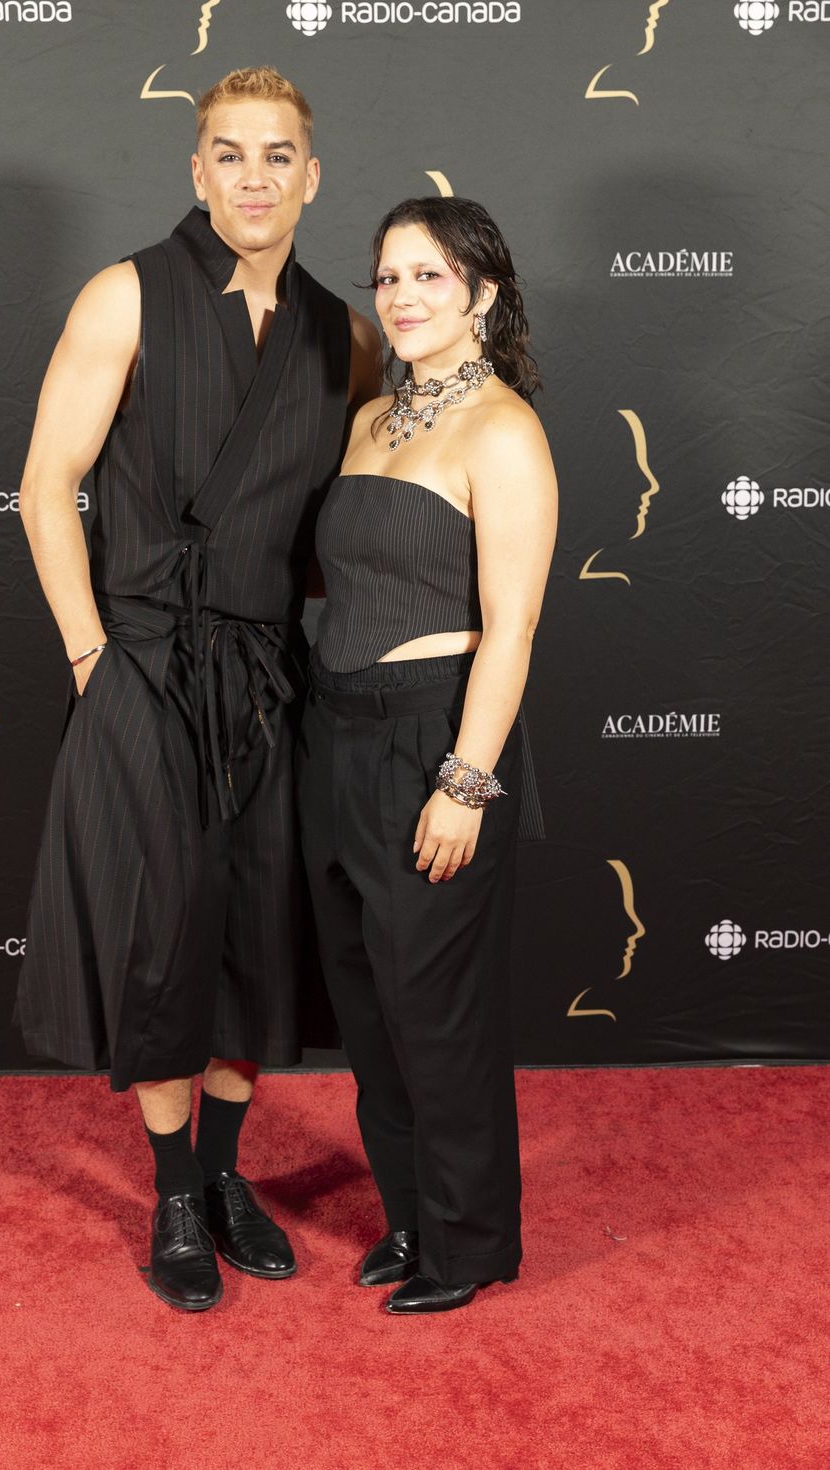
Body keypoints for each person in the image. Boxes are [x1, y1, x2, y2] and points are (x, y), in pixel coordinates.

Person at [14, 67, 380, 1312]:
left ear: (311, 174)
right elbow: (43, 485)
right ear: (195, 170)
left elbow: (378, 499)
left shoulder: (345, 333)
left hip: (273, 678)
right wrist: (88, 659)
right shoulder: (124, 295)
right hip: (144, 666)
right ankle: (173, 1190)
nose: (255, 178)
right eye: (229, 155)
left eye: (279, 155)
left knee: (254, 940)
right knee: (162, 940)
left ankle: (227, 1175)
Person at [298, 196, 557, 1314]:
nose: (400, 298)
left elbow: (513, 628)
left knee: (436, 1015)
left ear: (481, 296)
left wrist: (464, 782)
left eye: (429, 278)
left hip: (433, 741)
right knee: (369, 1013)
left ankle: (470, 1243)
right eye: (387, 278)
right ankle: (408, 1218)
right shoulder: (370, 420)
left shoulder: (502, 430)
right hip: (332, 736)